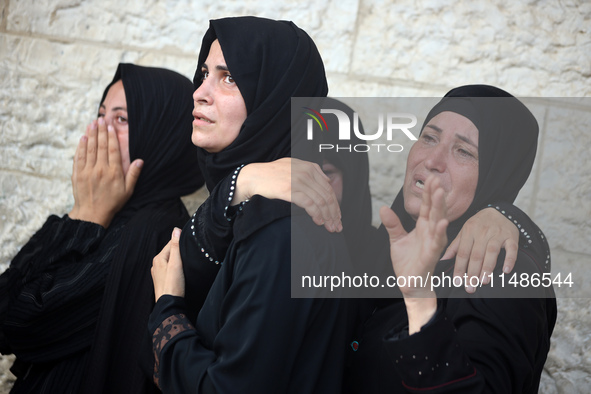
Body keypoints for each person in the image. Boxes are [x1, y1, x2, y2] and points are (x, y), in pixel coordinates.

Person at [149, 16, 356, 393]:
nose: (199, 92)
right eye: (204, 73)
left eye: (228, 78)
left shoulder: (282, 233)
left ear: (274, 101)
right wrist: (241, 181)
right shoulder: (249, 212)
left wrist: (168, 312)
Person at [0, 63, 204, 393]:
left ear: (160, 136)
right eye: (101, 113)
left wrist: (85, 216)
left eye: (121, 119)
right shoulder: (118, 216)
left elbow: (17, 323)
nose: (100, 129)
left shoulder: (149, 235)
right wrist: (86, 213)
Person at [345, 85, 557, 393]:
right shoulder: (389, 243)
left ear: (497, 173)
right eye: (429, 137)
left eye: (464, 151)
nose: (433, 160)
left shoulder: (499, 272)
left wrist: (420, 301)